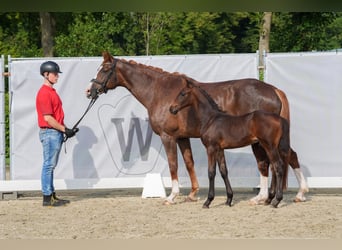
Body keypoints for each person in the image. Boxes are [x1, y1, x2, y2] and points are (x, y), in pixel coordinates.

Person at [36, 61, 79, 207]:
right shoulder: (44, 93)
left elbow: (56, 116)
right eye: (55, 74)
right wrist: (63, 129)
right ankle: (47, 198)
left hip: (54, 132)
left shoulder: (52, 92)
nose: (57, 77)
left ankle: (51, 195)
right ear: (46, 74)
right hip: (50, 133)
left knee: (51, 165)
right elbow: (48, 118)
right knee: (49, 165)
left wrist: (67, 129)